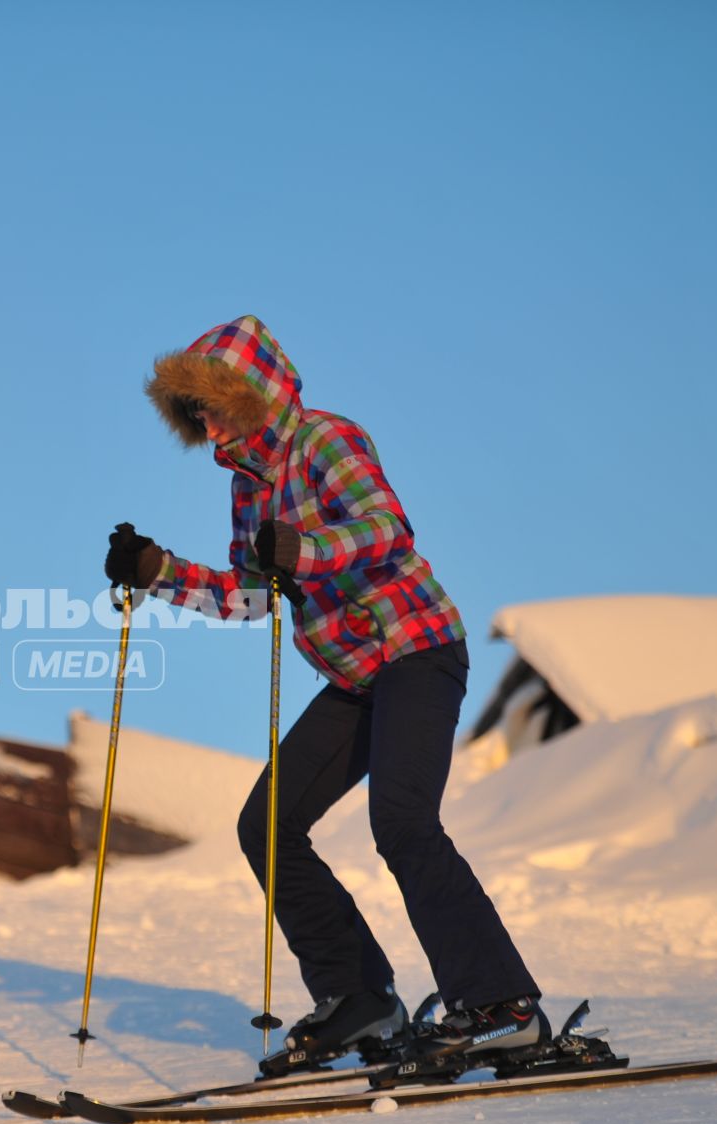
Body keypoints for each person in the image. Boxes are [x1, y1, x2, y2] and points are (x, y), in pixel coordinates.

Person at [104, 315, 545, 1075]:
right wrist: (158, 569)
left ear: (248, 395)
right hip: (354, 678)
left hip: (417, 649)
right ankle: (359, 996)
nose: (204, 423)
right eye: (194, 411)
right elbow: (251, 598)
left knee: (402, 821)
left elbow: (387, 532)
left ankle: (504, 1007)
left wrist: (304, 551)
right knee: (265, 827)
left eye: (210, 404)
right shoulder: (248, 486)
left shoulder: (326, 441)